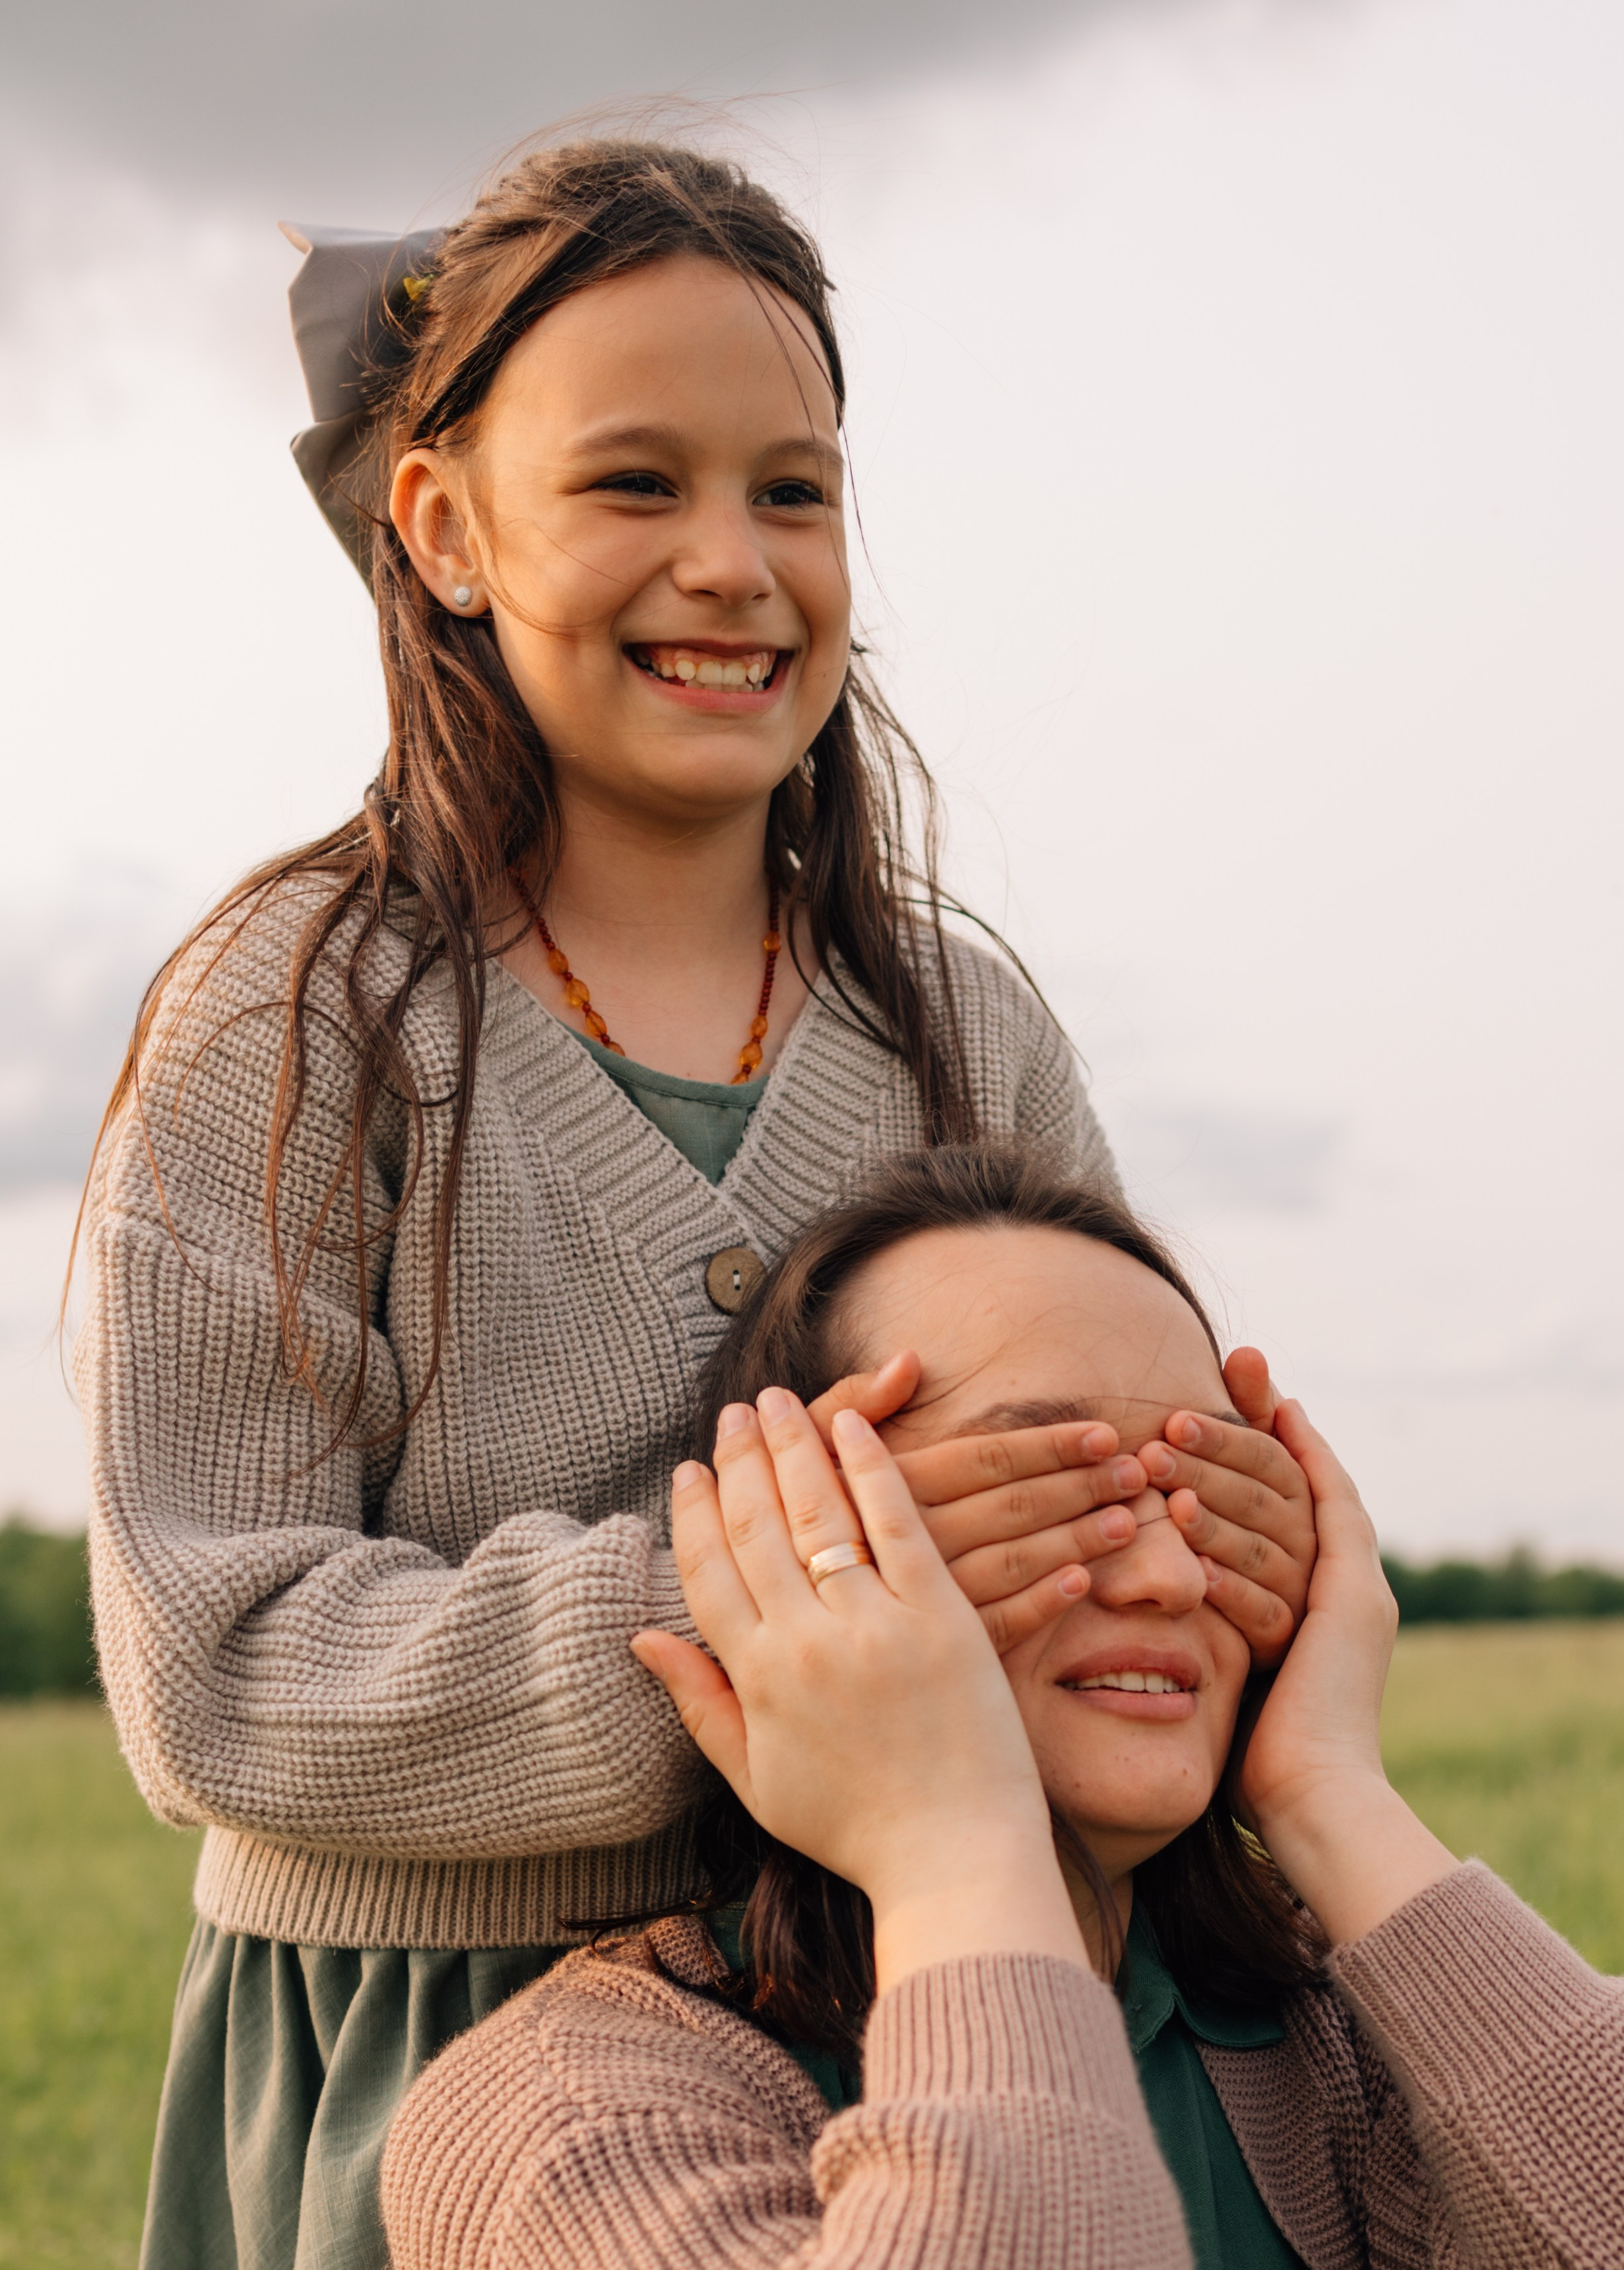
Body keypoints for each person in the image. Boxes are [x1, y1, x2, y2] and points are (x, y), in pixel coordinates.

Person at [75, 143, 1315, 2270]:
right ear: (445, 529)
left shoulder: (959, 1023)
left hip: (921, 2011)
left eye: (792, 491)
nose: (731, 565)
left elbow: (1119, 1468)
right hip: (431, 2064)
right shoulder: (292, 1021)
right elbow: (215, 1671)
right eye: (636, 486)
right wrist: (774, 1609)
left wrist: (1225, 1528)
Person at [380, 1144, 1624, 2270]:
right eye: (1040, 1492)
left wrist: (1327, 1789)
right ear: (793, 1556)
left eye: (1206, 1495)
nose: (1169, 1574)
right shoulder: (576, 2123)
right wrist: (952, 1846)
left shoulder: (1333, 2048)